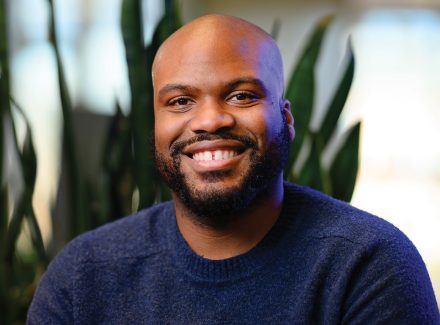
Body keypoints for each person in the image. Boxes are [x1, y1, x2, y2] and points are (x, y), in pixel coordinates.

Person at [28, 14, 439, 324]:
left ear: (286, 118)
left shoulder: (368, 266)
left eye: (241, 96)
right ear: (152, 125)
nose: (209, 121)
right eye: (180, 102)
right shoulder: (83, 278)